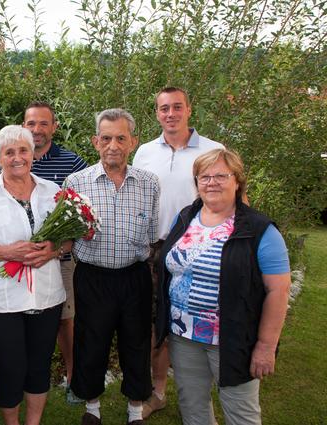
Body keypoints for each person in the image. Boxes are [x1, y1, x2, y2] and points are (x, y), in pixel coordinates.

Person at [155, 148, 290, 425]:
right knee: (193, 408)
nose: (211, 182)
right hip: (184, 336)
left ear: (237, 181)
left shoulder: (259, 230)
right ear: (197, 183)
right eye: (204, 176)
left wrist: (265, 346)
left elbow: (278, 291)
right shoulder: (185, 218)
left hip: (231, 338)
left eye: (220, 175)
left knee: (241, 414)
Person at [0, 125, 72, 425]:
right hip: (0, 300)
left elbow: (69, 238)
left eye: (23, 150)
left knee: (38, 366)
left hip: (46, 296)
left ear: (33, 154)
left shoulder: (53, 192)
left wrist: (52, 249)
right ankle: (12, 423)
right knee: (9, 367)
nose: (17, 157)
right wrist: (9, 252)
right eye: (9, 152)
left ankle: (33, 422)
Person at [131, 86, 224, 419]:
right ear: (156, 113)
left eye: (177, 107)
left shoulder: (213, 150)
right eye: (163, 108)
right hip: (151, 248)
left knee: (188, 321)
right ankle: (156, 391)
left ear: (189, 109)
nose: (170, 114)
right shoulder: (143, 152)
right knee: (154, 323)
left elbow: (230, 196)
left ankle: (189, 393)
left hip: (196, 251)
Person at [65, 109, 159, 425]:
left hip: (135, 278)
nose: (113, 145)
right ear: (95, 142)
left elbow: (155, 234)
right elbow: (65, 234)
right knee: (91, 343)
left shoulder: (150, 184)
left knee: (136, 343)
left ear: (133, 142)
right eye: (106, 138)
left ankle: (135, 411)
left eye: (121, 138)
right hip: (92, 277)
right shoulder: (76, 182)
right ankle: (92, 409)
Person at [0, 101, 88, 403]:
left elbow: (82, 206)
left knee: (64, 317)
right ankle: (23, 378)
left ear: (54, 127)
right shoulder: (10, 158)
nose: (36, 129)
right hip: (15, 255)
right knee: (18, 316)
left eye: (43, 123)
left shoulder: (72, 163)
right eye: (30, 123)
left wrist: (56, 245)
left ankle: (72, 377)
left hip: (58, 256)